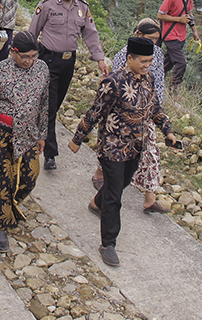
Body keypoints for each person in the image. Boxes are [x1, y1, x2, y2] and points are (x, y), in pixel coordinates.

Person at [70, 37, 173, 268]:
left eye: (150, 61)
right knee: (115, 197)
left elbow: (155, 108)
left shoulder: (149, 80)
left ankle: (97, 203)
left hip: (136, 147)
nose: (147, 65)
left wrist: (168, 130)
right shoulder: (113, 82)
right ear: (129, 58)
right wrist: (78, 137)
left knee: (121, 184)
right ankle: (108, 243)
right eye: (143, 61)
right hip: (113, 147)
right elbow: (95, 111)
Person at [0, 31, 49, 252]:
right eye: (24, 56)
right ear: (13, 52)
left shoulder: (42, 69)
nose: (29, 61)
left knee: (29, 177)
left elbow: (44, 103)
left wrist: (42, 134)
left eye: (34, 56)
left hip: (28, 134)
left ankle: (8, 204)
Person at [28, 0, 108, 171]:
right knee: (50, 107)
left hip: (67, 63)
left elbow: (90, 34)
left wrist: (99, 59)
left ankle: (33, 131)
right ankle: (50, 154)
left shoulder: (82, 8)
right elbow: (33, 31)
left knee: (52, 105)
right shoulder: (47, 6)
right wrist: (27, 56)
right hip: (48, 60)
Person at [91, 19, 174, 214]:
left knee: (150, 153)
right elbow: (113, 93)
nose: (154, 43)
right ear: (138, 35)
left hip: (147, 114)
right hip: (124, 118)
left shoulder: (158, 54)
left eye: (156, 39)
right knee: (116, 156)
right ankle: (100, 183)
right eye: (150, 38)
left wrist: (157, 111)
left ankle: (148, 196)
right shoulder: (124, 56)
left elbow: (159, 81)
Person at [156, 0, 201, 89]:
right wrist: (179, 19)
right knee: (181, 63)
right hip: (170, 35)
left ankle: (155, 80)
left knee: (168, 62)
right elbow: (160, 15)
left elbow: (189, 13)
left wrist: (194, 30)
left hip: (181, 35)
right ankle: (173, 89)